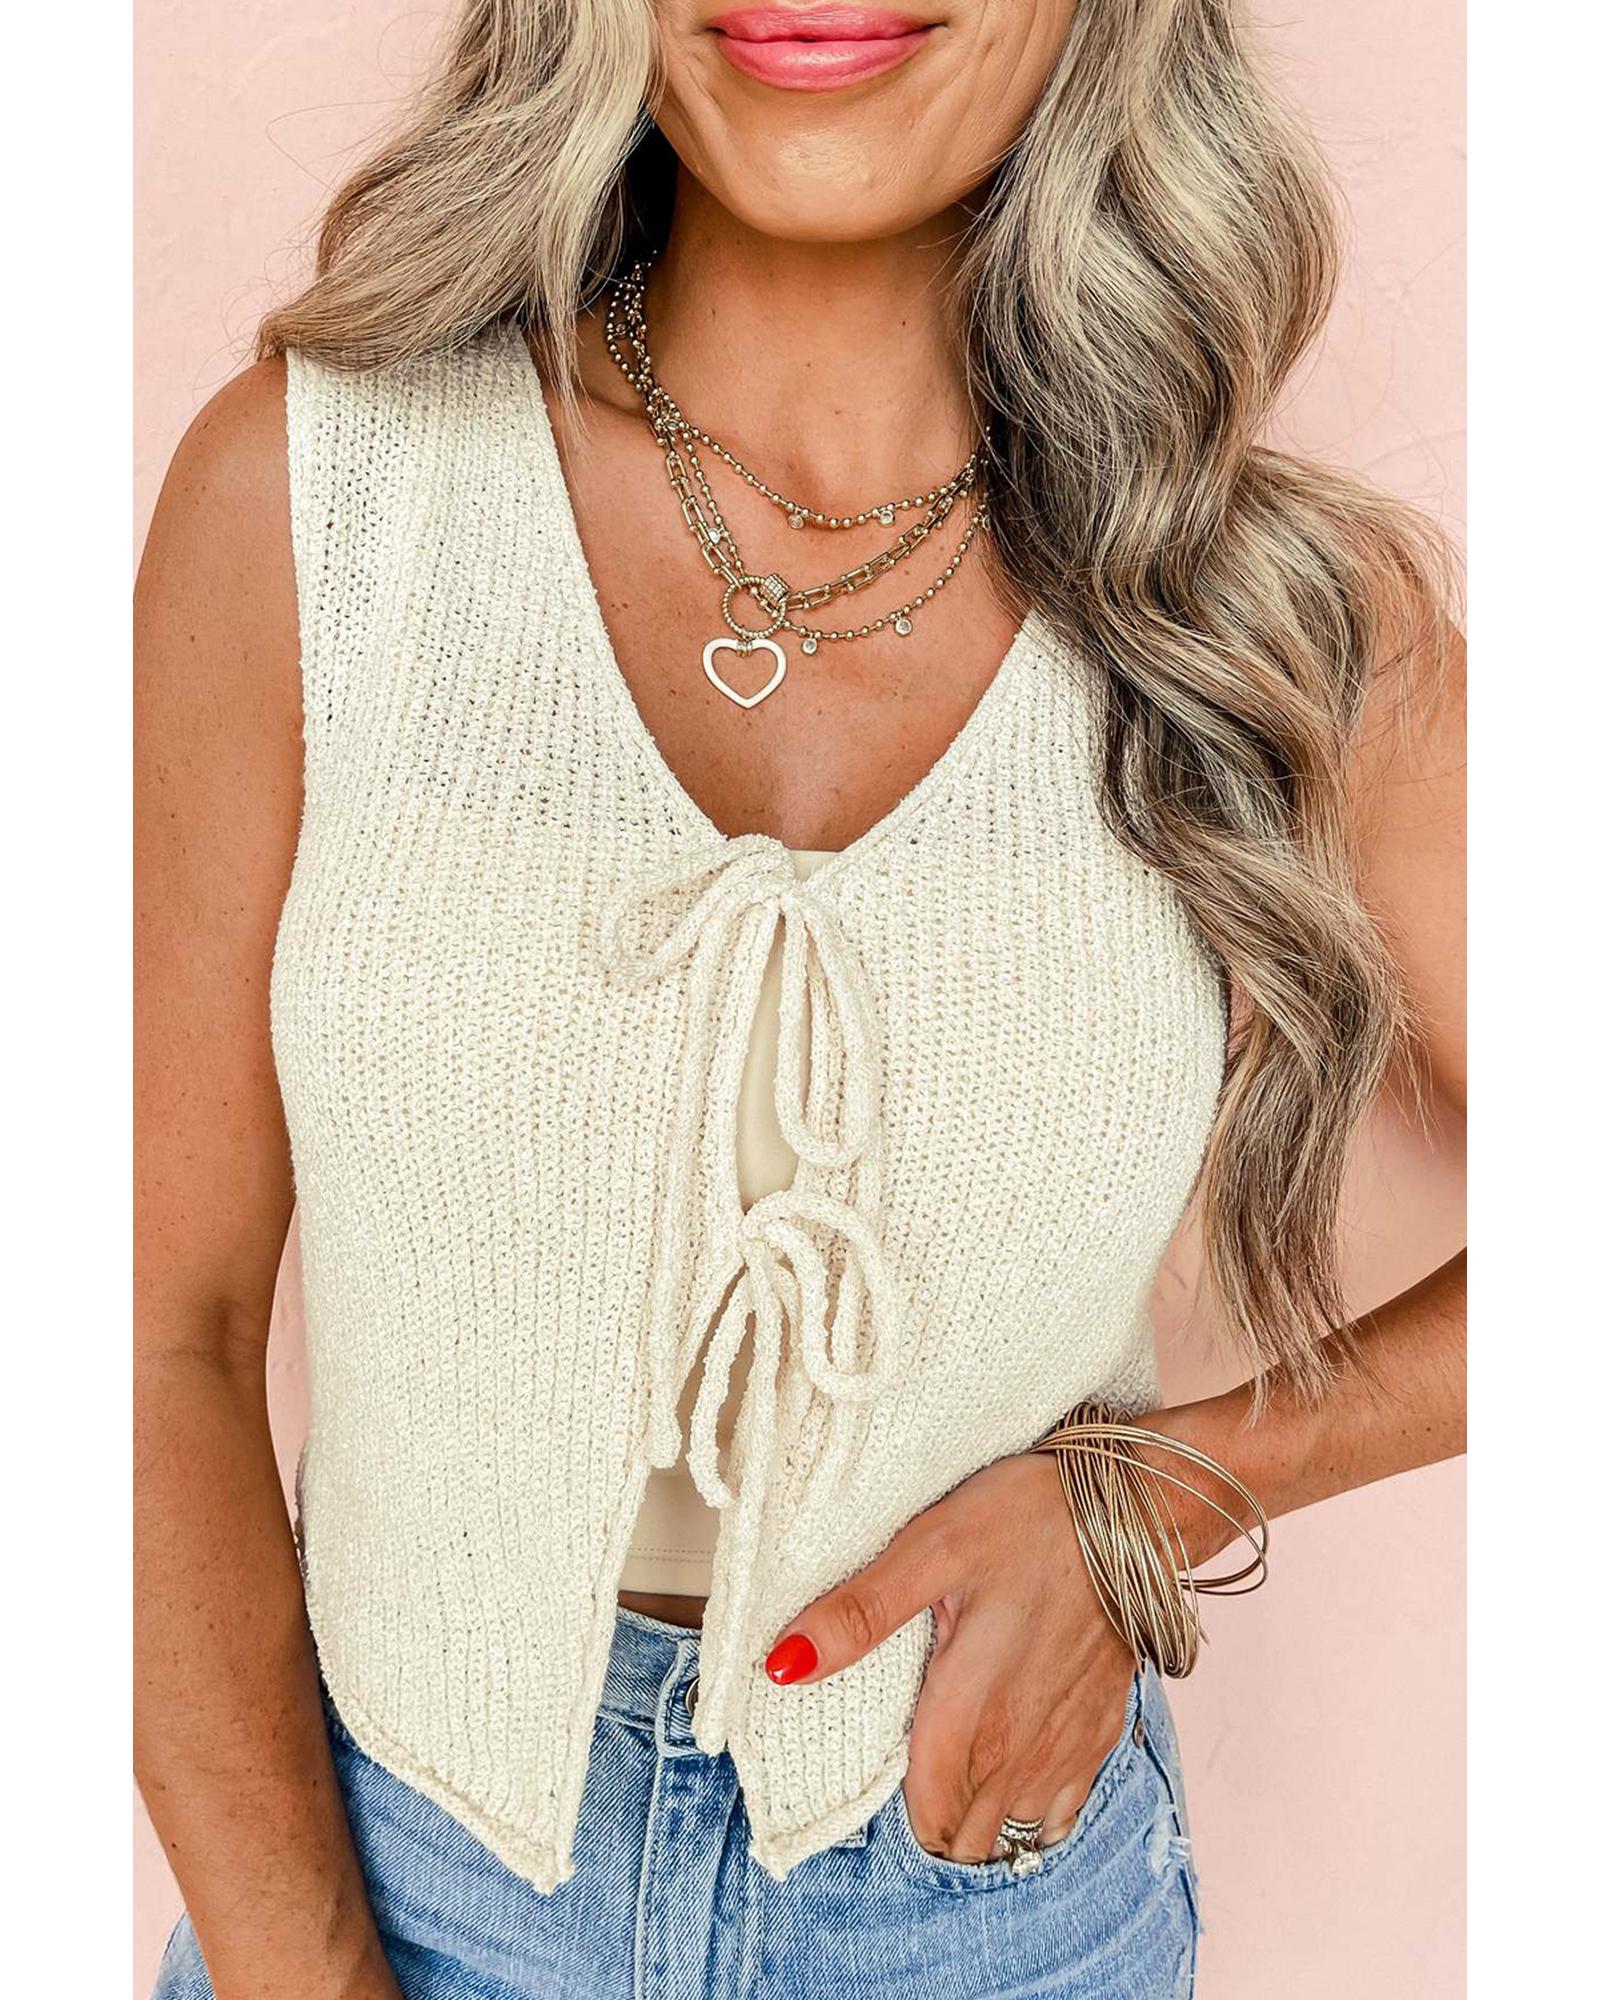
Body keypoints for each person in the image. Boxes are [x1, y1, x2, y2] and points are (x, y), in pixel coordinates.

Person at [133, 4, 1466, 1996]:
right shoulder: (319, 500)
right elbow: (143, 1326)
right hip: (385, 1862)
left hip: (988, 1900)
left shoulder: (1271, 618)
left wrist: (1178, 1485)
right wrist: (300, 1969)